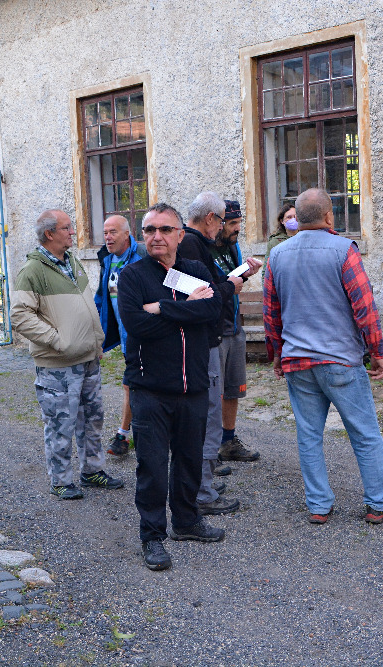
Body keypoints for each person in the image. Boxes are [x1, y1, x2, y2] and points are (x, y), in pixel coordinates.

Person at [263, 188, 383, 526]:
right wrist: (378, 352)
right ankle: (379, 504)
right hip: (340, 361)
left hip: (297, 361)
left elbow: (272, 314)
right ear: (328, 217)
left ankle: (319, 505)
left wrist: (278, 355)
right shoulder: (344, 250)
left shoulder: (277, 255)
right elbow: (364, 307)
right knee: (365, 433)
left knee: (309, 435)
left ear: (296, 218)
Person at [117, 203, 225, 571]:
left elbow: (212, 312)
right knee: (151, 465)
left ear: (180, 234)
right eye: (149, 230)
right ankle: (152, 536)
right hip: (150, 388)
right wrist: (180, 311)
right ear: (142, 235)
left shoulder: (193, 270)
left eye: (165, 229)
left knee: (190, 459)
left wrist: (160, 309)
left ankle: (186, 521)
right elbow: (135, 325)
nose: (156, 236)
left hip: (193, 386)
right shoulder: (132, 276)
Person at [11, 209, 123, 501]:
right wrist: (57, 341)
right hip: (58, 365)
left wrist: (96, 340)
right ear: (50, 234)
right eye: (66, 228)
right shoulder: (32, 271)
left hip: (88, 357)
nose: (72, 232)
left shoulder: (72, 261)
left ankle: (92, 471)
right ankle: (61, 481)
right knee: (61, 423)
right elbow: (20, 316)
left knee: (93, 418)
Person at [178, 191, 241, 515]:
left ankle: (201, 483)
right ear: (210, 219)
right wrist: (231, 285)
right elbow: (205, 296)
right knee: (207, 419)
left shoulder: (194, 244)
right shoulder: (191, 245)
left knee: (209, 416)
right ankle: (200, 493)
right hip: (204, 343)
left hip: (208, 339)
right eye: (221, 220)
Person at [210, 200, 263, 463]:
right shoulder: (202, 248)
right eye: (232, 224)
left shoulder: (233, 247)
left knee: (233, 389)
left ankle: (227, 441)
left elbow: (233, 282)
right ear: (217, 224)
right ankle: (207, 451)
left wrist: (246, 273)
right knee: (212, 392)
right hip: (215, 330)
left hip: (234, 325)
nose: (237, 229)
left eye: (239, 223)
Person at [94, 214, 146, 457]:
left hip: (145, 336)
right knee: (132, 384)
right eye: (105, 233)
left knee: (131, 384)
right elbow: (101, 299)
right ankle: (127, 436)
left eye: (113, 232)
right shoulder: (107, 260)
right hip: (127, 339)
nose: (108, 237)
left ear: (128, 234)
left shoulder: (142, 258)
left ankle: (124, 436)